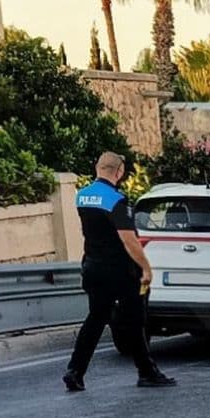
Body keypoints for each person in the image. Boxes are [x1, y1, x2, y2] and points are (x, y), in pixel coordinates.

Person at [64, 152, 174, 391]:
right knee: (135, 322)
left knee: (95, 319)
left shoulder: (82, 196)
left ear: (97, 166)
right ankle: (147, 372)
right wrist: (145, 268)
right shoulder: (116, 200)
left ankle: (75, 370)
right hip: (121, 271)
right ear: (119, 172)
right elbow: (129, 240)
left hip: (93, 267)